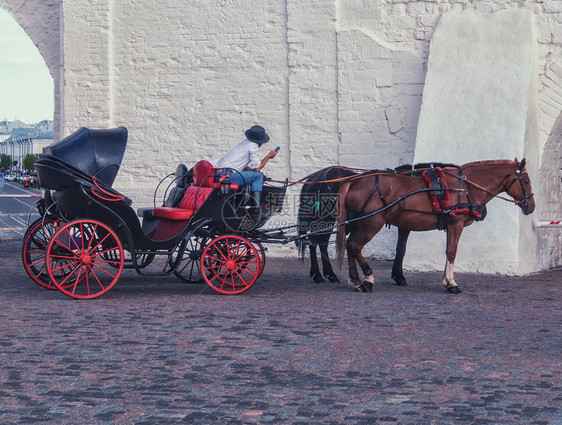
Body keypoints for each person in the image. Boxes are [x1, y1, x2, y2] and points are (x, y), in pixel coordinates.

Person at [214, 125, 278, 216]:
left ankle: (239, 207)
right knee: (258, 176)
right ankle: (255, 210)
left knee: (252, 176)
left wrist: (252, 171)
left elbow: (244, 167)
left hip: (219, 173)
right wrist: (268, 156)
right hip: (227, 176)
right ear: (261, 142)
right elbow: (257, 168)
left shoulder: (245, 143)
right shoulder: (253, 146)